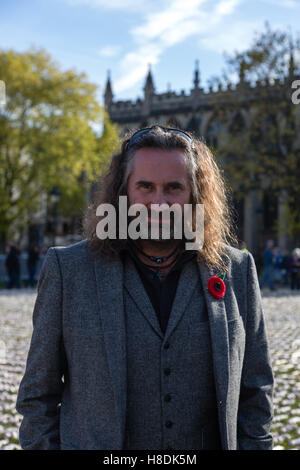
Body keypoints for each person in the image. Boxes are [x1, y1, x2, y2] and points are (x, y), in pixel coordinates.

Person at [16, 125, 274, 450]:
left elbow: (255, 391)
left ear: (195, 194)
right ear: (123, 193)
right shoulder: (69, 271)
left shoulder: (237, 270)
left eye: (174, 188)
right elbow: (37, 396)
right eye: (146, 187)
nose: (159, 202)